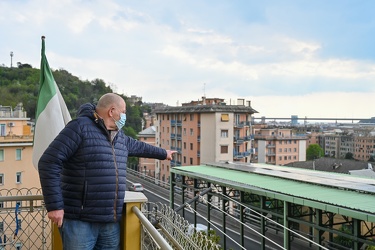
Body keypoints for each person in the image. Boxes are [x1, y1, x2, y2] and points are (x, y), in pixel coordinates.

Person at [38, 93, 176, 250]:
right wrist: (55, 206)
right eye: (123, 111)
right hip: (80, 221)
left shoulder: (119, 137)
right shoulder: (79, 127)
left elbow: (140, 147)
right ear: (112, 111)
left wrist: (164, 154)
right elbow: (49, 162)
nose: (124, 116)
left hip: (110, 221)